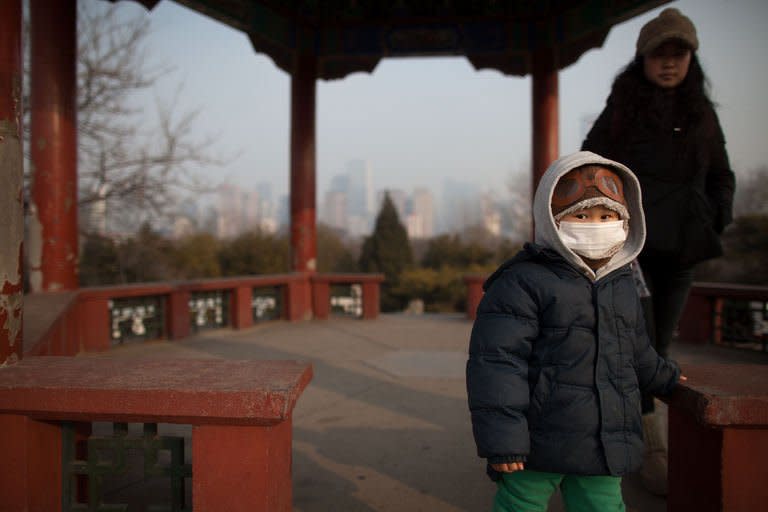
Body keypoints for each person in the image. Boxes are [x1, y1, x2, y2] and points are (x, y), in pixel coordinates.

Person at [466, 151, 684, 511]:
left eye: (606, 215)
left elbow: (636, 348)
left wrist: (666, 378)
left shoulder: (623, 283)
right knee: (520, 505)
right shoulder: (522, 281)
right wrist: (503, 440)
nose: (595, 224)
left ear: (626, 221)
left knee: (603, 507)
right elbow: (497, 365)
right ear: (551, 221)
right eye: (581, 215)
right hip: (537, 442)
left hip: (603, 441)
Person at [581, 7, 735, 494]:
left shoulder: (702, 114)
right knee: (640, 346)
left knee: (660, 348)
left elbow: (722, 175)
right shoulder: (623, 108)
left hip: (683, 253)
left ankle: (640, 436)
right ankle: (652, 450)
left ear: (691, 58)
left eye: (679, 53)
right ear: (643, 59)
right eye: (660, 54)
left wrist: (713, 218)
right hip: (636, 252)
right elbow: (589, 164)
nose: (669, 63)